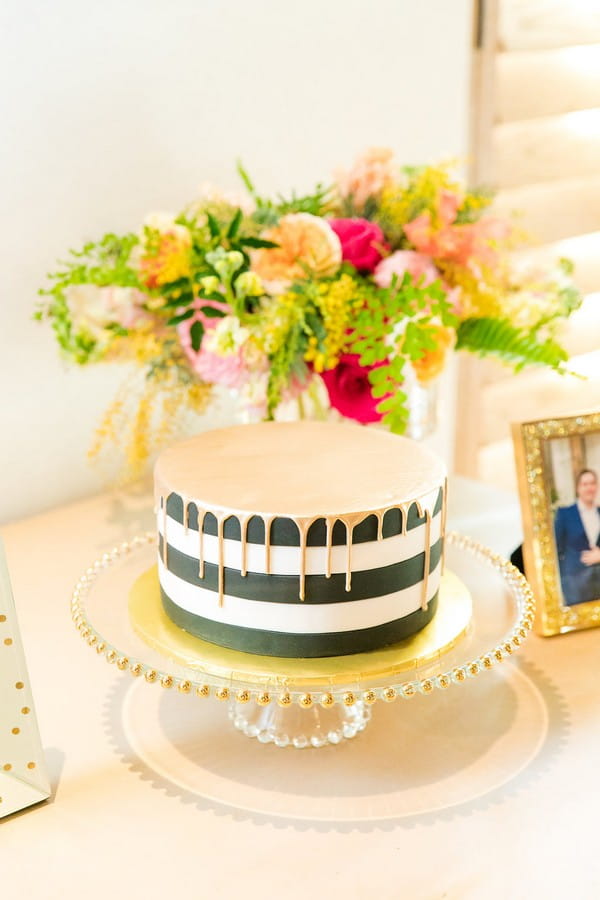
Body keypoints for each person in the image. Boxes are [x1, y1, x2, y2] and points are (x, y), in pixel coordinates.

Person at [554, 469, 600, 606]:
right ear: (578, 488)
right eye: (585, 484)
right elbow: (557, 549)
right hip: (575, 586)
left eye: (592, 483)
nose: (589, 488)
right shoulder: (564, 514)